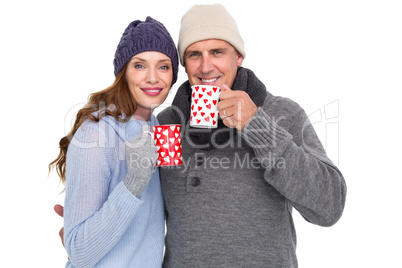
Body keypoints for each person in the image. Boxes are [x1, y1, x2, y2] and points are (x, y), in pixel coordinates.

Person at [156, 4, 347, 267]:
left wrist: (257, 125)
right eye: (194, 54)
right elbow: (152, 215)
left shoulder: (283, 113)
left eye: (217, 52)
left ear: (238, 57)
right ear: (184, 64)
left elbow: (329, 207)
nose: (206, 66)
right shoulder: (166, 125)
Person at [49, 17, 179, 267]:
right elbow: (80, 253)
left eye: (163, 66)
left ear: (173, 75)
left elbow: (165, 212)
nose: (153, 78)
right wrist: (132, 184)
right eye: (140, 66)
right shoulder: (96, 134)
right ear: (123, 72)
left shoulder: (159, 127)